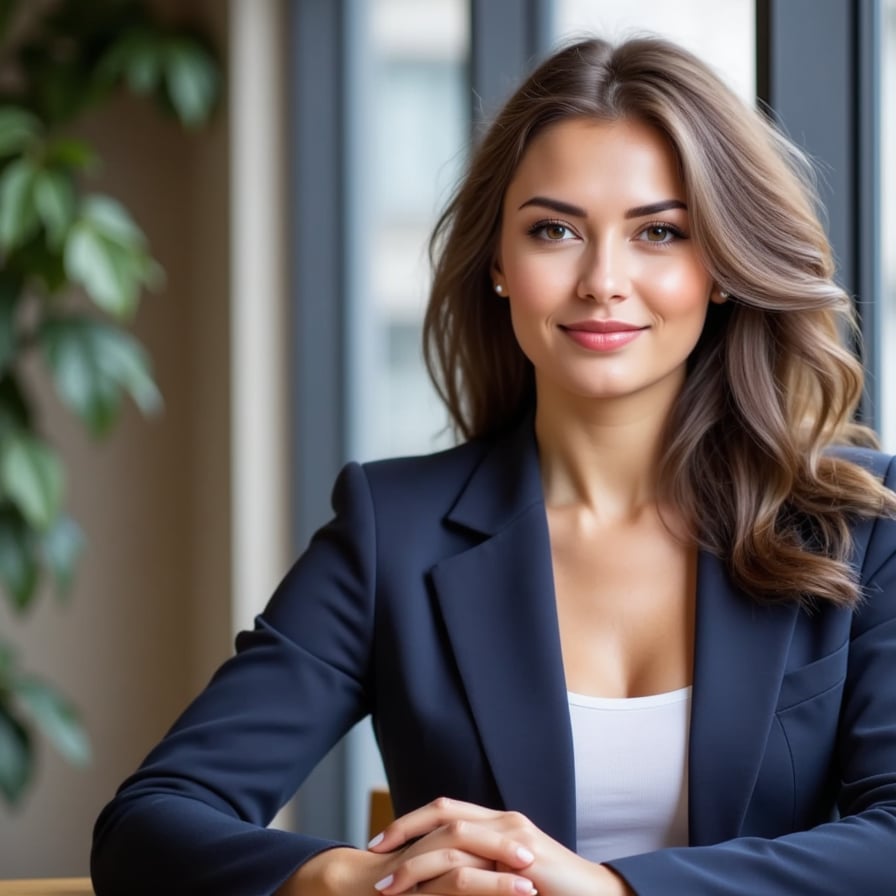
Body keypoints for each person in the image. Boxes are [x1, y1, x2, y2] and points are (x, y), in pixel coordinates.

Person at [91, 35, 896, 896]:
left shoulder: (860, 522)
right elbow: (149, 822)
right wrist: (341, 880)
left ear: (724, 268)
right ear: (500, 266)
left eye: (660, 232)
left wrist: (616, 891)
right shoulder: (391, 531)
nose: (603, 280)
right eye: (554, 230)